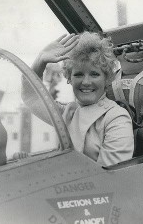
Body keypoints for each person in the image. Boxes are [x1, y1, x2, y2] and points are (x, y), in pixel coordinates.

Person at [22, 32, 134, 166]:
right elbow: (31, 97)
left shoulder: (116, 118)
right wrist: (40, 60)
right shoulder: (68, 112)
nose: (86, 82)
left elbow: (109, 178)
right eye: (79, 74)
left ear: (107, 78)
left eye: (94, 74)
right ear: (69, 78)